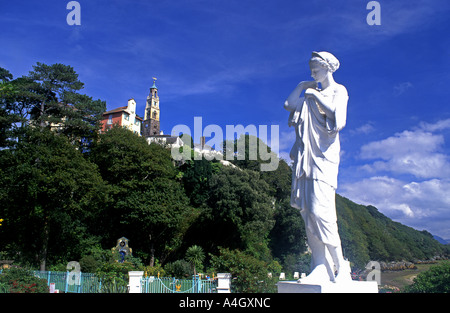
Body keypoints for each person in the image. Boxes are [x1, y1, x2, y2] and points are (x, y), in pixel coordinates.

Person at [284, 51, 351, 284]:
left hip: (324, 158)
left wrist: (314, 95)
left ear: (328, 68)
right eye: (311, 69)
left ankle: (341, 266)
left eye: (316, 69)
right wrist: (304, 86)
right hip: (306, 159)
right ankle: (320, 265)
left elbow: (338, 120)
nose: (313, 73)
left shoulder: (338, 91)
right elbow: (289, 104)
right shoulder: (312, 93)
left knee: (322, 212)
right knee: (308, 213)